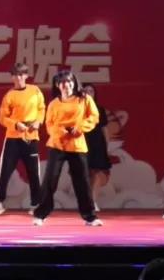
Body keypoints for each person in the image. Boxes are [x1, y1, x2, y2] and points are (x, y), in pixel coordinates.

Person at [32, 69, 102, 226]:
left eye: (69, 81)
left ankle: (90, 216)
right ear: (57, 85)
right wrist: (60, 132)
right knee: (50, 180)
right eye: (63, 82)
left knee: (82, 182)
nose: (67, 85)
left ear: (74, 83)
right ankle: (41, 214)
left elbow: (94, 117)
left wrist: (80, 127)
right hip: (57, 144)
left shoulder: (84, 99)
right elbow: (49, 124)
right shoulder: (53, 104)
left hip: (77, 145)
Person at [0, 63, 45, 216]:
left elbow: (41, 109)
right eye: (16, 75)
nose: (19, 78)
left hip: (31, 136)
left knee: (33, 172)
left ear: (26, 76)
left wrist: (38, 122)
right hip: (13, 137)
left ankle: (36, 204)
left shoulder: (35, 91)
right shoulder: (9, 95)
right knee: (5, 170)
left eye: (22, 74)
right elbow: (2, 117)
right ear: (12, 77)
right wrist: (15, 124)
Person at [82, 83, 111, 212]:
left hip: (98, 143)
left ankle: (93, 201)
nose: (89, 93)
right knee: (84, 173)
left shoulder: (99, 109)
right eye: (86, 91)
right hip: (82, 143)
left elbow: (104, 129)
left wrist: (106, 145)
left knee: (98, 172)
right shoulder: (78, 108)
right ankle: (86, 201)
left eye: (91, 91)